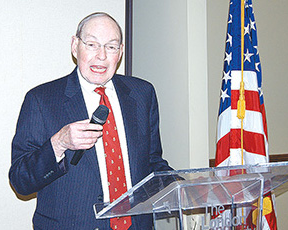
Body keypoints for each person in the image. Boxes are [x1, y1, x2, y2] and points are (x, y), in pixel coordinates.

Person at [9, 12, 173, 230]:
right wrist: (58, 143)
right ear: (75, 46)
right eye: (92, 45)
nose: (102, 56)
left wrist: (180, 186)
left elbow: (151, 162)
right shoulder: (41, 100)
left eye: (111, 47)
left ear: (121, 51)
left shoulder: (142, 94)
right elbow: (21, 180)